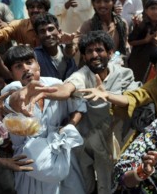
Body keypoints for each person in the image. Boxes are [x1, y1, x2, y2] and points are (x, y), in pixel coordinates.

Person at [29, 30, 140, 193]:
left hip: (115, 138)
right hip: (87, 139)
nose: (95, 55)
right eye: (89, 52)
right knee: (85, 184)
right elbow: (66, 90)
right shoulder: (82, 75)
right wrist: (44, 92)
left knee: (110, 184)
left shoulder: (124, 74)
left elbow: (130, 101)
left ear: (109, 53)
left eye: (99, 50)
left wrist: (106, 95)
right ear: (84, 57)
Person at [2, 45, 87, 194]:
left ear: (38, 65)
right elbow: (12, 102)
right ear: (12, 73)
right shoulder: (11, 91)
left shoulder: (55, 84)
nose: (26, 68)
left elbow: (79, 107)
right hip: (28, 162)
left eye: (29, 62)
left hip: (60, 155)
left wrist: (68, 126)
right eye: (18, 66)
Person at [127, 0, 157, 82]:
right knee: (139, 82)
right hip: (140, 60)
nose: (155, 11)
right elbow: (131, 41)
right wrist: (145, 41)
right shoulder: (141, 24)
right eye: (152, 8)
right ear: (146, 10)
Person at [33, 13, 77, 81]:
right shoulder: (35, 56)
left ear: (59, 31)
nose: (47, 34)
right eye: (42, 31)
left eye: (50, 29)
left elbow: (70, 53)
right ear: (37, 36)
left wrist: (69, 44)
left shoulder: (66, 48)